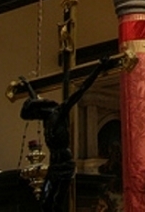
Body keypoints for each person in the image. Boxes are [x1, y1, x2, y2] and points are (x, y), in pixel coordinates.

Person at [19, 56, 120, 212]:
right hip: (54, 165)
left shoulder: (59, 112)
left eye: (33, 115)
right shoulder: (46, 119)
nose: (34, 118)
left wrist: (99, 69)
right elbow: (34, 97)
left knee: (58, 203)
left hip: (65, 165)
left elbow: (82, 89)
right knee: (45, 204)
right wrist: (27, 86)